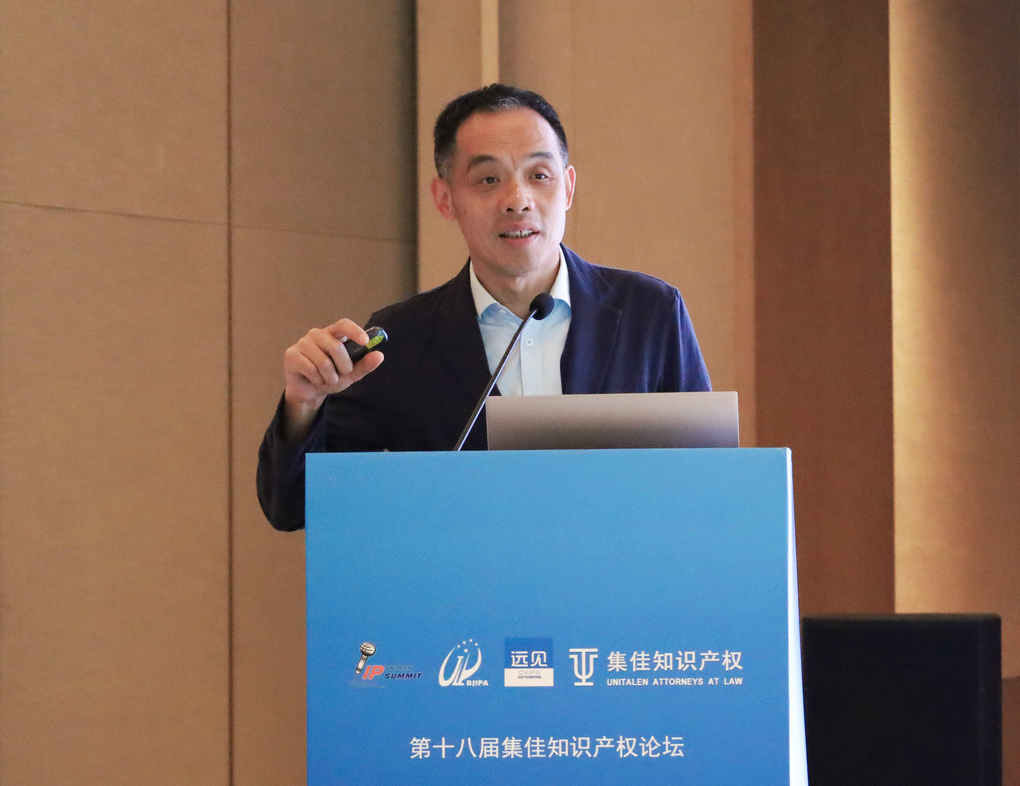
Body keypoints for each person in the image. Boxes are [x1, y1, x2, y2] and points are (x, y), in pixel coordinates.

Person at [258, 84, 711, 531]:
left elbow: (709, 486)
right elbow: (294, 508)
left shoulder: (649, 314)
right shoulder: (403, 341)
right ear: (445, 199)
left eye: (539, 175)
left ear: (568, 188)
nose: (517, 200)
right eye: (489, 180)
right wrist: (304, 404)